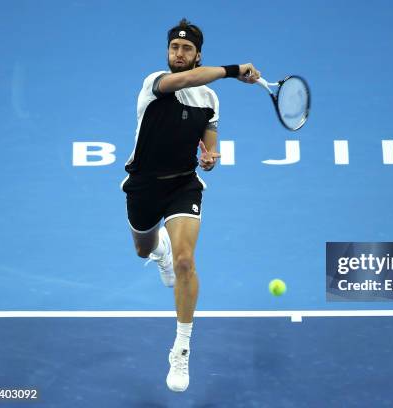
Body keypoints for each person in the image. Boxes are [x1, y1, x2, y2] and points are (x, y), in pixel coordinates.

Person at [120, 18, 260, 392]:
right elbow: (185, 82)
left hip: (184, 185)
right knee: (143, 249)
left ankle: (181, 349)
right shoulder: (156, 84)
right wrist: (233, 70)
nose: (178, 54)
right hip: (144, 186)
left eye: (186, 49)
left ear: (198, 54)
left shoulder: (209, 99)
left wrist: (211, 155)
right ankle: (159, 251)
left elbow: (209, 136)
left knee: (186, 260)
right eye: (174, 48)